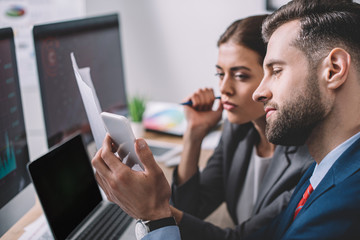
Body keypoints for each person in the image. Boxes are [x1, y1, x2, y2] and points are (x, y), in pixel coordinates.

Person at [91, 0, 360, 239]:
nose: (259, 92)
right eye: (220, 74)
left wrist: (153, 214)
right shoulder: (323, 170)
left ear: (334, 69)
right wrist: (152, 207)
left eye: (276, 71)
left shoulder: (341, 201)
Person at [170, 15, 312, 240]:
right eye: (220, 74)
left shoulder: (308, 158)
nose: (224, 88)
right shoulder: (237, 131)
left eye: (240, 76)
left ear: (275, 75)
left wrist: (152, 211)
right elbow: (189, 210)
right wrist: (194, 134)